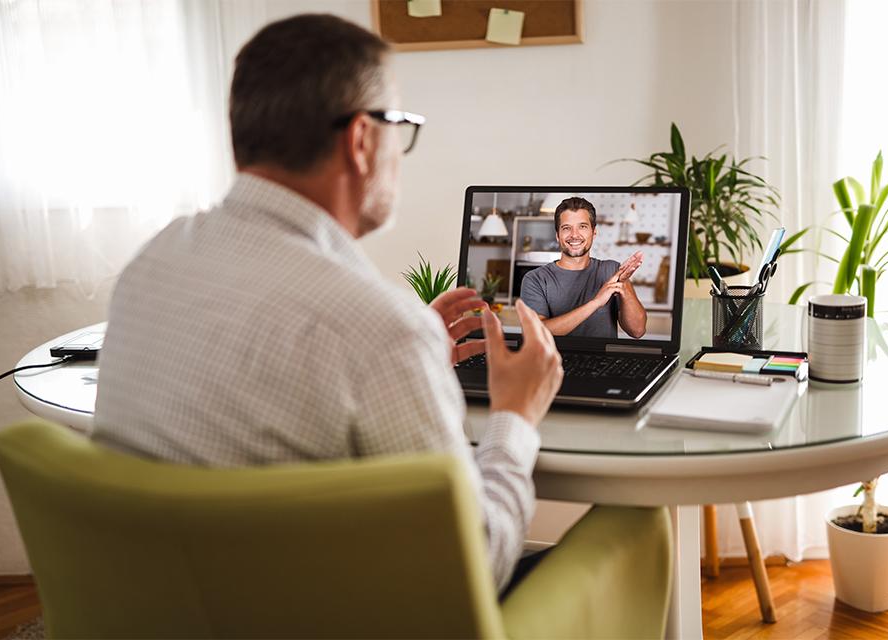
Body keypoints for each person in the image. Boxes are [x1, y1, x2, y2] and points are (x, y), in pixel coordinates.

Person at [91, 14, 563, 593]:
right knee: (635, 529)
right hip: (322, 615)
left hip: (161, 607)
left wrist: (410, 367)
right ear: (362, 140)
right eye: (402, 126)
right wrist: (515, 414)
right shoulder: (377, 327)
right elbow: (475, 568)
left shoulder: (153, 261)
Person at [520, 197, 648, 339]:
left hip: (603, 361)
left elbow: (637, 331)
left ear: (593, 232)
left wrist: (623, 286)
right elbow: (536, 333)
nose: (574, 235)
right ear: (557, 235)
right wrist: (596, 303)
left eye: (582, 226)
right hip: (554, 361)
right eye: (566, 228)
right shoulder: (535, 279)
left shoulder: (612, 271)